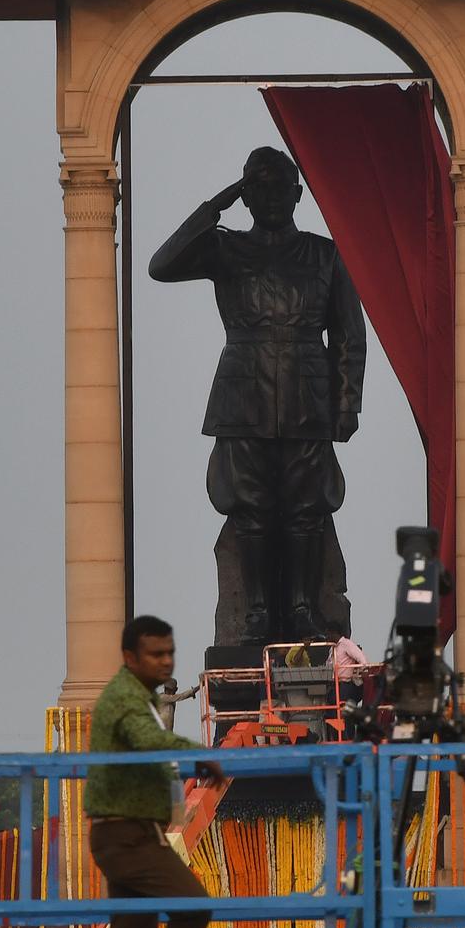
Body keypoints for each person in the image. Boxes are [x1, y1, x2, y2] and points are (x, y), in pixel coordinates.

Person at [150, 147, 366, 643]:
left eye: (279, 187)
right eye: (257, 188)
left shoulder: (324, 254)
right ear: (246, 196)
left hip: (307, 398)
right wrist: (217, 205)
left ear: (297, 193)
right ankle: (257, 614)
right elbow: (161, 265)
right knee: (248, 510)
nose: (270, 197)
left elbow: (350, 336)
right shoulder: (225, 249)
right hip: (242, 397)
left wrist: (346, 402)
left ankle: (304, 610)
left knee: (307, 510)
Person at [87, 614, 226, 928]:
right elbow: (149, 742)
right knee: (194, 906)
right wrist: (197, 753)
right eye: (155, 654)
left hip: (126, 834)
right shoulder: (125, 700)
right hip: (129, 836)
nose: (165, 662)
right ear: (130, 657)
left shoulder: (139, 697)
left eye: (169, 653)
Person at [331, 634, 369, 703]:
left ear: (333, 632)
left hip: (345, 683)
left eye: (328, 633)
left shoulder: (346, 644)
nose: (326, 636)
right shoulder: (332, 648)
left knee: (341, 707)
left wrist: (365, 669)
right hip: (334, 684)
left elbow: (361, 657)